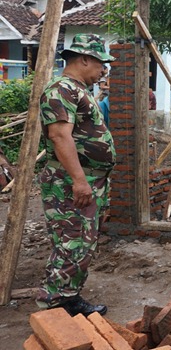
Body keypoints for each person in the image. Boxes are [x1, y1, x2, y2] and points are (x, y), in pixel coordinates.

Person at [36, 34, 115, 317]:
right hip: (69, 183)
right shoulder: (61, 89)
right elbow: (59, 136)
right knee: (71, 241)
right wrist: (80, 181)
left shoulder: (78, 90)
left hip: (89, 179)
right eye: (100, 62)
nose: (104, 69)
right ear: (84, 59)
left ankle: (69, 298)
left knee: (83, 242)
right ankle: (54, 307)